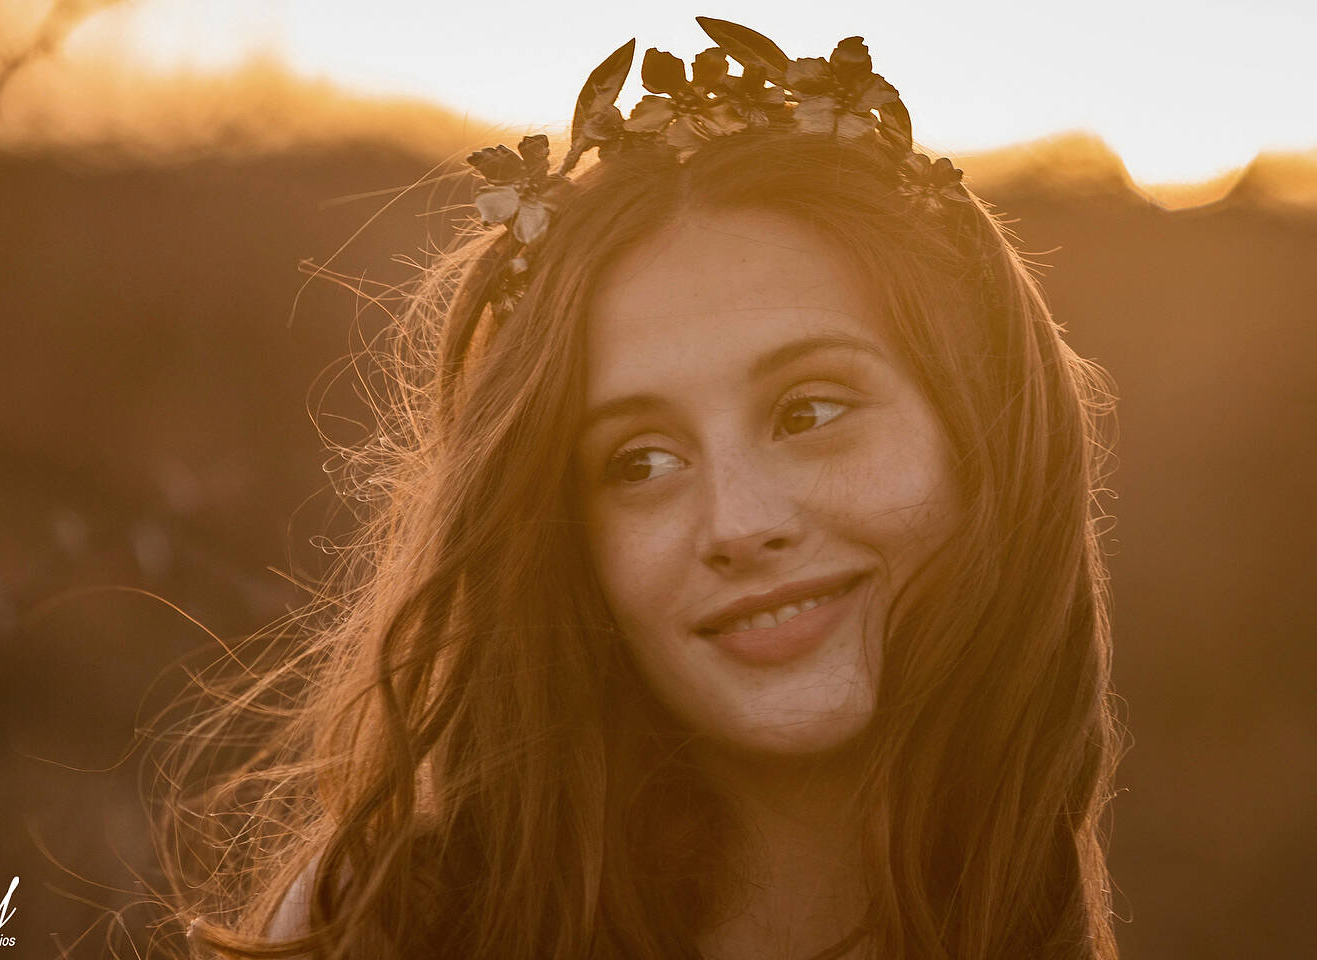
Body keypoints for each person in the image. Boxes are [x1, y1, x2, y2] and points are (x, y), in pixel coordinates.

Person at [156, 17, 1120, 960]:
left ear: (985, 435)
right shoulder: (387, 931)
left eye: (809, 412)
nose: (739, 524)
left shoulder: (1029, 918)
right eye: (640, 463)